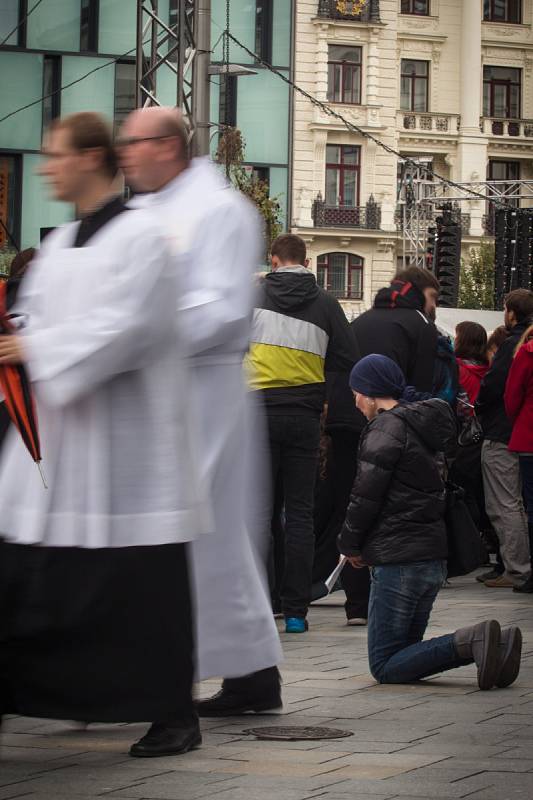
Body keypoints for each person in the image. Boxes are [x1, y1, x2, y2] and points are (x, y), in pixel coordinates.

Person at [0, 113, 210, 756]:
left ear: (91, 159)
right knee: (30, 576)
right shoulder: (59, 243)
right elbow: (34, 320)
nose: (44, 166)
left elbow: (127, 329)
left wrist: (34, 347)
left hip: (126, 449)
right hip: (61, 444)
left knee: (139, 590)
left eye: (55, 155)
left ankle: (174, 713)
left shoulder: (143, 236)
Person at [119, 107, 282, 728]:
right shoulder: (141, 212)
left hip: (205, 391)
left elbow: (221, 307)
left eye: (134, 143)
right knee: (195, 536)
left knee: (198, 533)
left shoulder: (219, 210)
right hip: (160, 391)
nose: (125, 154)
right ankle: (244, 672)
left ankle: (226, 672)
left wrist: (137, 333)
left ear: (167, 146)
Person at [338, 355, 522, 691]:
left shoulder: (385, 428)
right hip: (431, 556)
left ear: (370, 391)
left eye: (356, 392)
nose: (354, 400)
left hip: (399, 559)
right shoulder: (425, 425)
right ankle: (496, 644)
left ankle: (472, 640)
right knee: (405, 656)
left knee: (385, 665)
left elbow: (365, 495)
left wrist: (349, 543)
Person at [248, 233, 359, 633]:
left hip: (257, 412)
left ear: (273, 260)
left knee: (260, 513)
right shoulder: (327, 305)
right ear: (306, 261)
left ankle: (263, 604)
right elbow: (349, 358)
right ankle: (296, 612)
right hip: (305, 416)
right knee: (300, 514)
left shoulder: (253, 298)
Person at [475, 289, 533, 589]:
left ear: (511, 312)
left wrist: (481, 409)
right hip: (519, 433)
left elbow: (499, 388)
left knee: (505, 503)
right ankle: (516, 565)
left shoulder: (516, 345)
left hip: (505, 432)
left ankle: (517, 567)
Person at [351, 266, 440, 395]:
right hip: (395, 411)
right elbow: (421, 387)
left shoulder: (359, 321)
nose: (434, 305)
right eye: (432, 296)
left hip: (352, 408)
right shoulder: (423, 324)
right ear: (417, 291)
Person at [450, 321, 491, 540]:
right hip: (484, 434)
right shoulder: (490, 368)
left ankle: (469, 538)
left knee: (463, 489)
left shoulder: (456, 368)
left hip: (463, 436)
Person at [505, 322, 533, 593]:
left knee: (531, 504)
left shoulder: (527, 352)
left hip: (530, 436)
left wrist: (519, 420)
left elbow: (512, 395)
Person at [455, 321, 489, 406]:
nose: (454, 340)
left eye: (457, 337)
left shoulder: (455, 368)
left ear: (463, 342)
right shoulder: (489, 372)